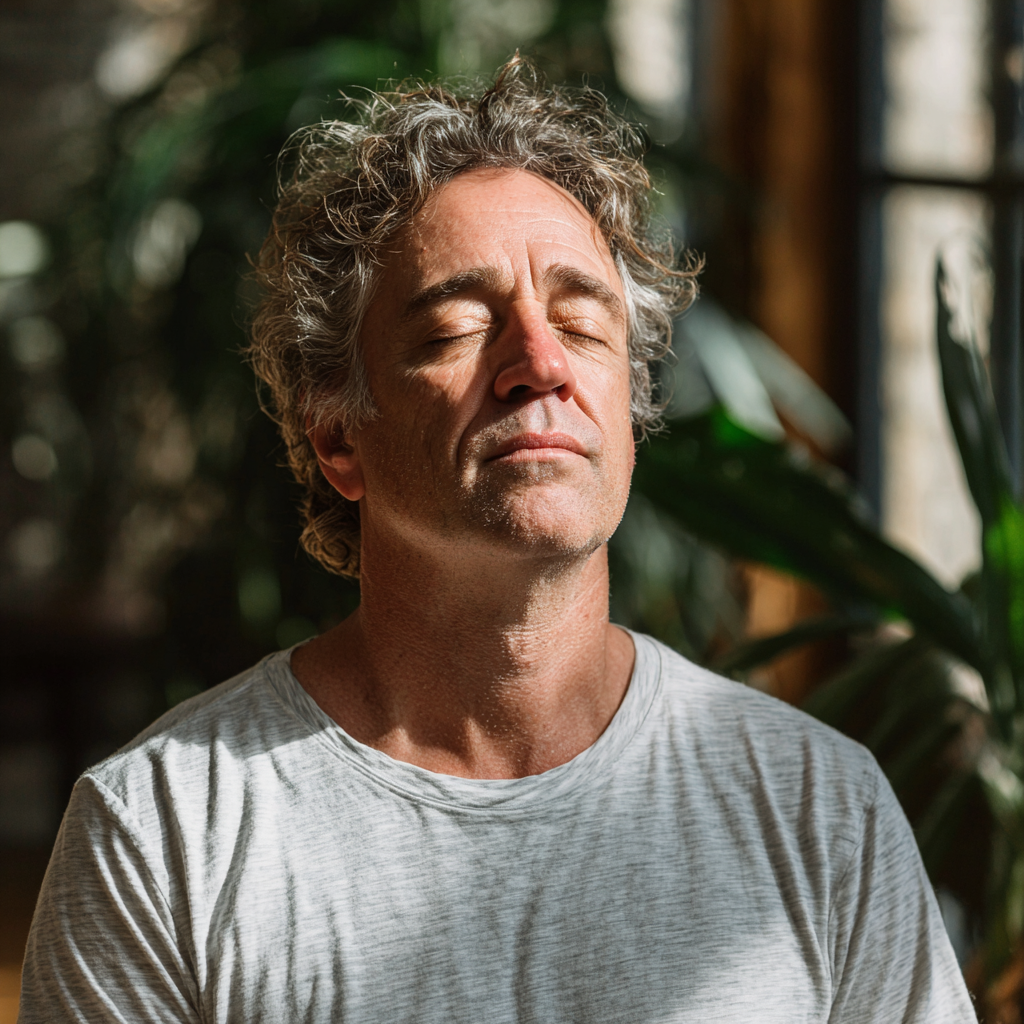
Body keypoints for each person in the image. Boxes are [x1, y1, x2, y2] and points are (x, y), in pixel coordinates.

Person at [19, 59, 975, 1023]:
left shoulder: (819, 809)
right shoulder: (164, 833)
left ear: (631, 419)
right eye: (458, 326)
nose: (541, 364)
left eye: (582, 324)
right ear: (338, 436)